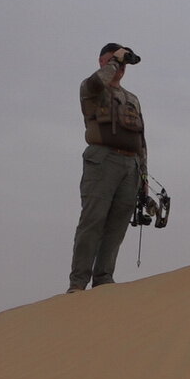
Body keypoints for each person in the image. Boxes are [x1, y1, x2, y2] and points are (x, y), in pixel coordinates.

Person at [68, 43, 149, 293]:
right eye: (114, 61)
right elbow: (95, 83)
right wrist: (114, 61)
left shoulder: (131, 98)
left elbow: (141, 140)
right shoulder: (91, 89)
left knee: (117, 225)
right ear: (102, 62)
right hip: (101, 160)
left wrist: (143, 176)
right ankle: (78, 282)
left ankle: (104, 279)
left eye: (123, 64)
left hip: (130, 166)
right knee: (93, 220)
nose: (120, 67)